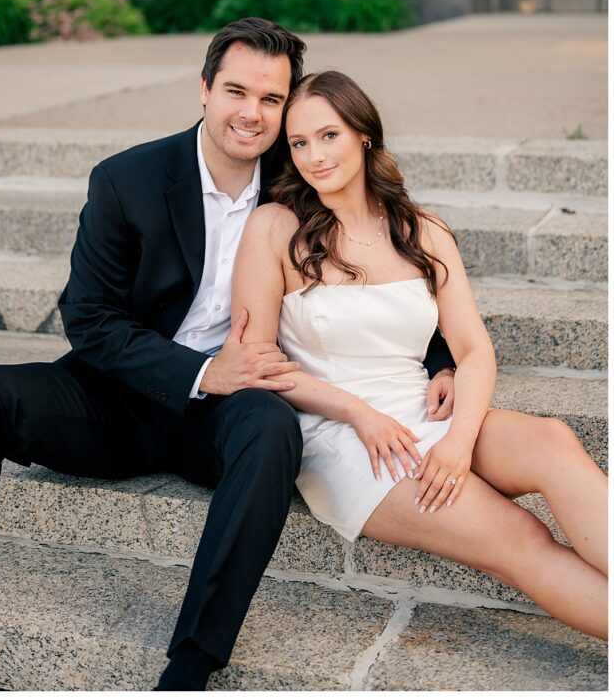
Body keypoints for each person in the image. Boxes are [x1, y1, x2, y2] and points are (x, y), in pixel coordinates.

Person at [0, 19, 458, 692]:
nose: (251, 112)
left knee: (272, 429)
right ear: (204, 89)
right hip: (120, 397)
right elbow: (88, 320)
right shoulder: (129, 179)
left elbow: (385, 261)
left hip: (231, 411)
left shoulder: (298, 179)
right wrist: (203, 370)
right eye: (236, 91)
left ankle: (191, 665)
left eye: (271, 100)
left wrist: (440, 356)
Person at [231, 69, 608, 641]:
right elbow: (257, 360)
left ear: (363, 134)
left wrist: (458, 442)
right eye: (299, 142)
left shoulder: (422, 230)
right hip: (344, 438)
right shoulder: (276, 227)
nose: (313, 156)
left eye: (328, 135)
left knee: (553, 439)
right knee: (520, 536)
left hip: (424, 416)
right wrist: (358, 413)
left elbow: (474, 347)